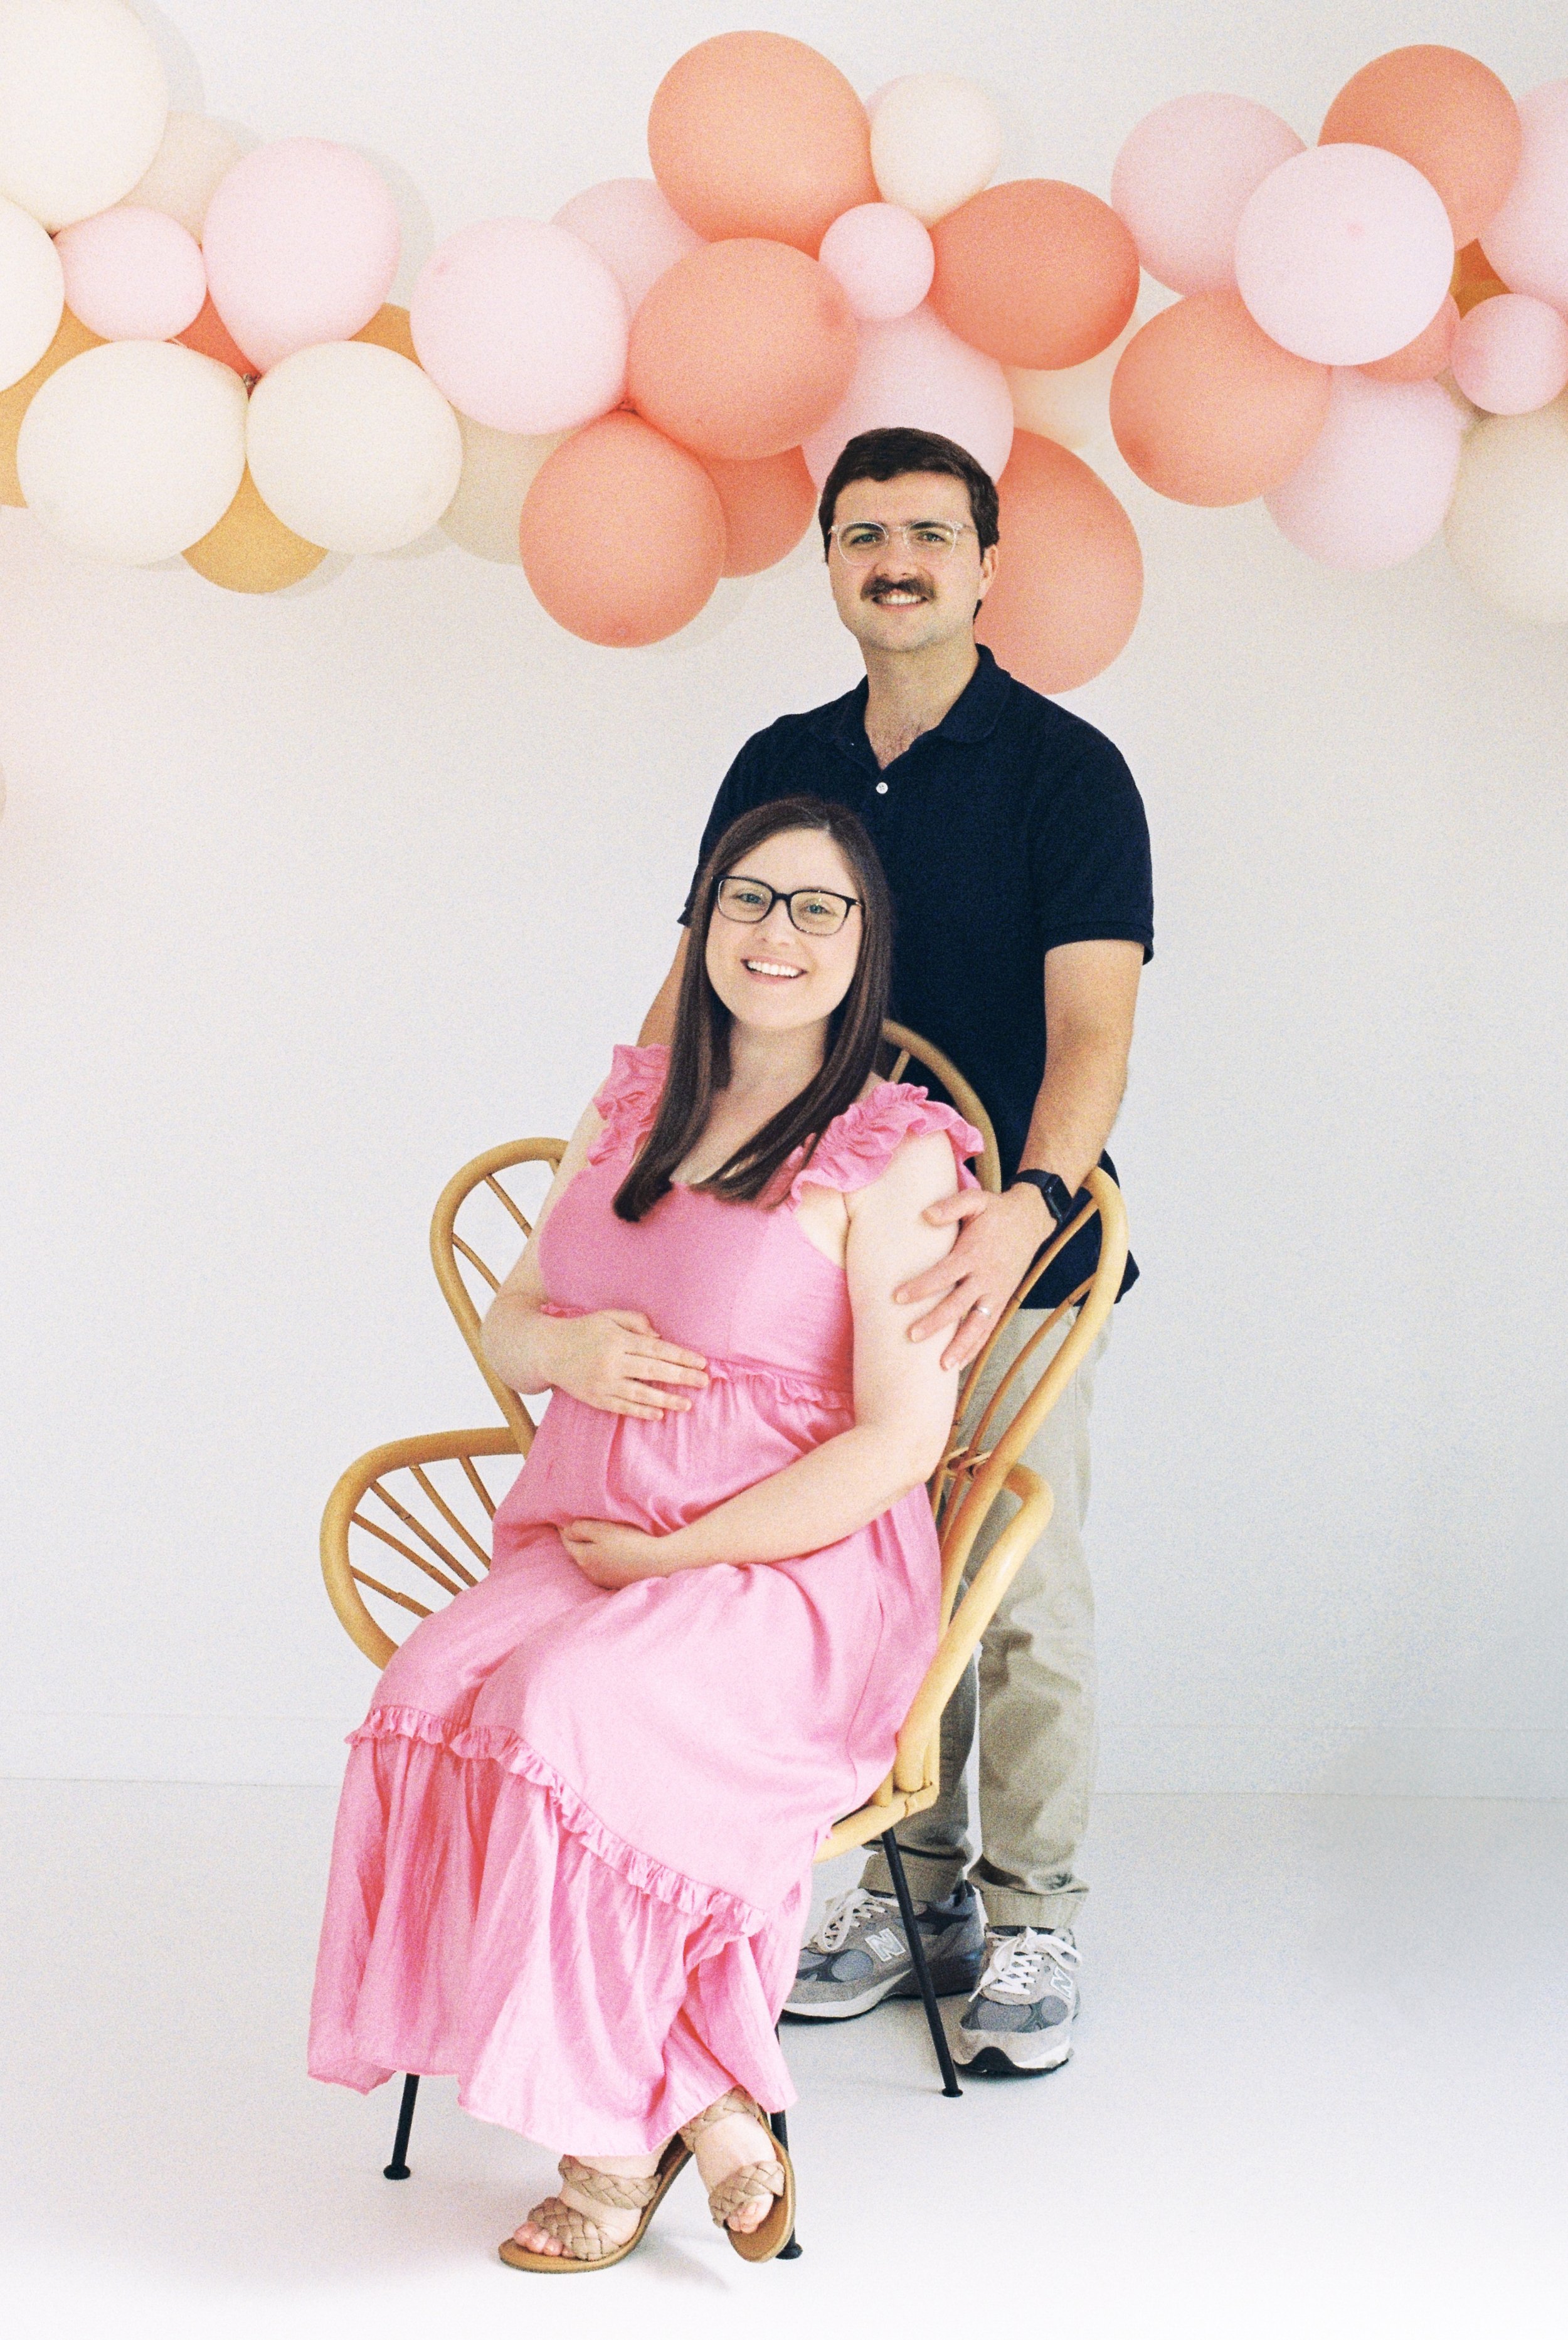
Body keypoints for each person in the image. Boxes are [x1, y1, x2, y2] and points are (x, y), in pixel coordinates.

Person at [309, 795, 986, 2270]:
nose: (775, 933)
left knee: (566, 1704)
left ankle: (606, 2149)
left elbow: (899, 1440)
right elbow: (511, 1319)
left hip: (788, 1569)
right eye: (746, 898)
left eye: (816, 906)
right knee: (430, 1689)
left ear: (864, 940)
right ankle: (695, 2093)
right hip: (586, 1534)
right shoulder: (630, 1105)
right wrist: (563, 1352)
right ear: (701, 924)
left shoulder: (893, 1154)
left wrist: (683, 1553)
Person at [640, 426, 1153, 2077]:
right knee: (871, 1576)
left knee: (1015, 1589)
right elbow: (693, 994)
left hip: (1003, 1255)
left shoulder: (1067, 772)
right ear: (831, 565)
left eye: (930, 532)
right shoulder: (778, 761)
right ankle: (912, 1896)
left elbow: (1090, 1034)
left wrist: (1029, 1204)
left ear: (985, 564)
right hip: (808, 1257)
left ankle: (1031, 1910)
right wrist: (631, 1168)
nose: (897, 560)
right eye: (864, 534)